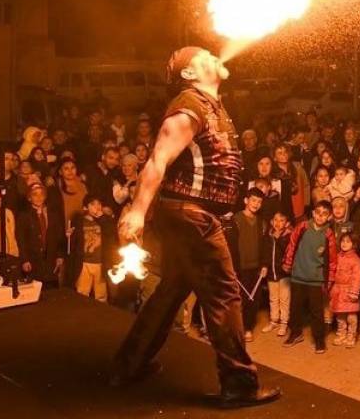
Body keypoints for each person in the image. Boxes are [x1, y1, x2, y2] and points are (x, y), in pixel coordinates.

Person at [111, 47, 279, 408]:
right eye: (203, 56)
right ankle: (239, 383)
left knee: (173, 288)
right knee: (224, 294)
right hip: (193, 215)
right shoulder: (188, 107)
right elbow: (157, 160)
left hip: (190, 214)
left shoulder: (210, 105)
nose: (214, 55)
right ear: (188, 74)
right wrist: (137, 211)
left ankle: (128, 365)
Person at [282, 201, 336, 353]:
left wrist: (329, 280)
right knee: (295, 307)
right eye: (318, 212)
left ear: (329, 216)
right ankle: (295, 333)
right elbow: (292, 245)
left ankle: (319, 340)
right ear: (313, 213)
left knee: (316, 311)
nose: (320, 216)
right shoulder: (303, 227)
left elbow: (332, 260)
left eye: (324, 214)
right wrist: (287, 263)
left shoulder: (328, 234)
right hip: (298, 275)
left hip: (316, 279)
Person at [231, 189, 266, 341]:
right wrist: (232, 267)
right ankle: (237, 328)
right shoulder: (235, 220)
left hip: (256, 268)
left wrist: (264, 265)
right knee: (240, 299)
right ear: (246, 200)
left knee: (254, 299)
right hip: (240, 268)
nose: (256, 204)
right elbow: (231, 245)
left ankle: (248, 328)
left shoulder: (261, 222)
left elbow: (265, 245)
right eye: (253, 200)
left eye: (259, 202)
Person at [328, 232, 360, 348]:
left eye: (348, 242)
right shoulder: (337, 256)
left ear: (354, 244)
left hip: (349, 291)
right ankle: (341, 333)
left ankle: (351, 335)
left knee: (351, 316)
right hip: (338, 289)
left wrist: (354, 292)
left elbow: (357, 277)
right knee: (340, 315)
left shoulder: (356, 260)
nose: (344, 244)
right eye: (343, 241)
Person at [259, 212, 291, 337]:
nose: (278, 223)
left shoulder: (288, 236)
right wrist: (264, 266)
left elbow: (287, 252)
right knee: (273, 298)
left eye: (282, 220)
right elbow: (265, 252)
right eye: (276, 220)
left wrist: (279, 239)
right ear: (272, 221)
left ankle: (284, 322)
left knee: (284, 299)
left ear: (287, 223)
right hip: (271, 272)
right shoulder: (268, 235)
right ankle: (274, 320)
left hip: (284, 273)